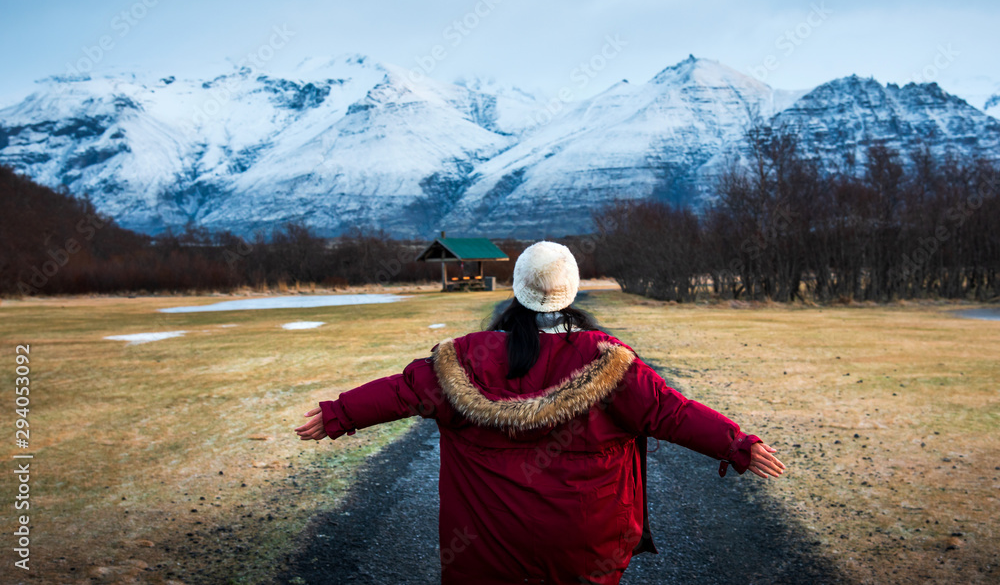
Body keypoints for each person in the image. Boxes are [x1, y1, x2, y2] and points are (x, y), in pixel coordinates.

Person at [295, 241, 785, 584]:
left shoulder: (464, 360)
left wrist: (339, 414)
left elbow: (400, 390)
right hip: (586, 549)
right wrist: (737, 444)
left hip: (483, 552)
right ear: (571, 290)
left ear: (516, 288)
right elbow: (673, 413)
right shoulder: (610, 361)